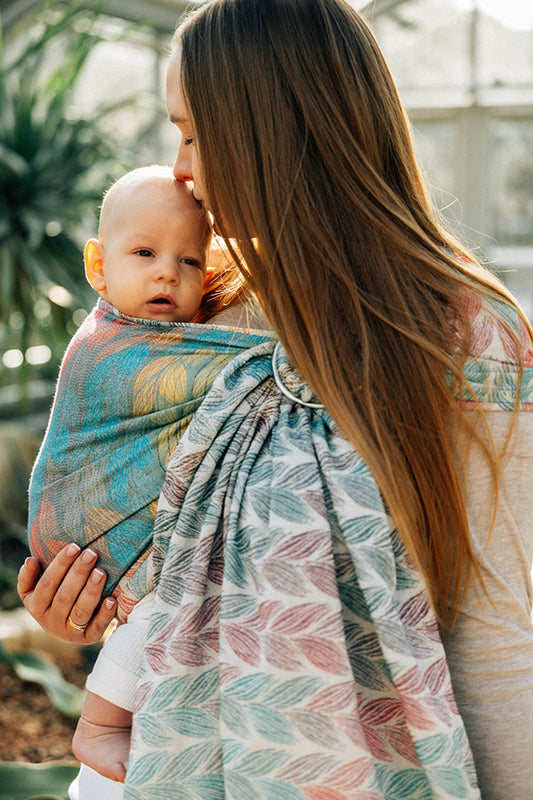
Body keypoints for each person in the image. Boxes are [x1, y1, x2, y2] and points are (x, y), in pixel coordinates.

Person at [18, 1, 533, 798]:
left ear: (278, 127)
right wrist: (88, 602)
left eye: (196, 134)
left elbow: (497, 630)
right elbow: (170, 556)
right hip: (158, 766)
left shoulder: (464, 335)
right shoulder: (203, 311)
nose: (179, 169)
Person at [26, 165, 272, 793]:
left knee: (163, 595)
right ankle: (101, 721)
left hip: (237, 699)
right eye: (145, 254)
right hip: (95, 538)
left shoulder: (216, 320)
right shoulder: (109, 343)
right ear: (98, 265)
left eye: (190, 262)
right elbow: (89, 432)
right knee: (162, 594)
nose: (168, 273)